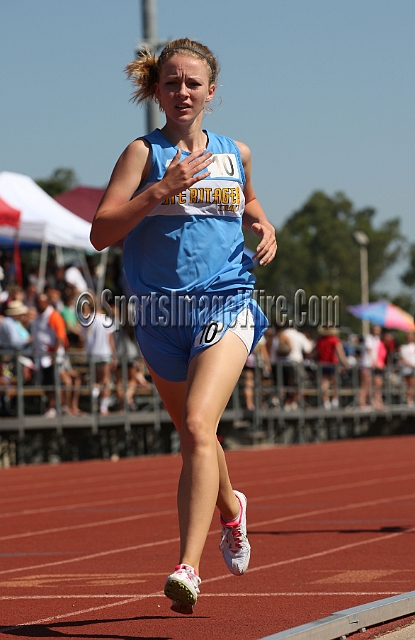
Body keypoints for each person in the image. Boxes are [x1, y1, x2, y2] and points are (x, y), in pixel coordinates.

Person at [90, 38, 277, 614]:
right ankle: (232, 509)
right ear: (157, 91)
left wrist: (264, 222)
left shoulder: (235, 151)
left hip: (225, 302)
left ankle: (187, 568)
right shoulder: (140, 153)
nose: (182, 92)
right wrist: (162, 189)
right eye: (171, 82)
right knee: (199, 436)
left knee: (198, 424)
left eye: (193, 82)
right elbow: (101, 231)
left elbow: (245, 202)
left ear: (211, 91)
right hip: (160, 316)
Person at [315, 326, 349, 409]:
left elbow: (316, 352)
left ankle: (326, 401)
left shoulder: (319, 340)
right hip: (332, 364)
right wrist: (345, 363)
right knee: (335, 383)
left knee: (324, 383)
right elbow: (340, 352)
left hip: (322, 363)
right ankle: (335, 400)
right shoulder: (334, 339)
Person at [399, 332, 415, 405]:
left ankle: (410, 399)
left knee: (412, 385)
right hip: (406, 369)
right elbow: (402, 358)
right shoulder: (403, 347)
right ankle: (408, 399)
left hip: (413, 369)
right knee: (407, 385)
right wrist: (410, 365)